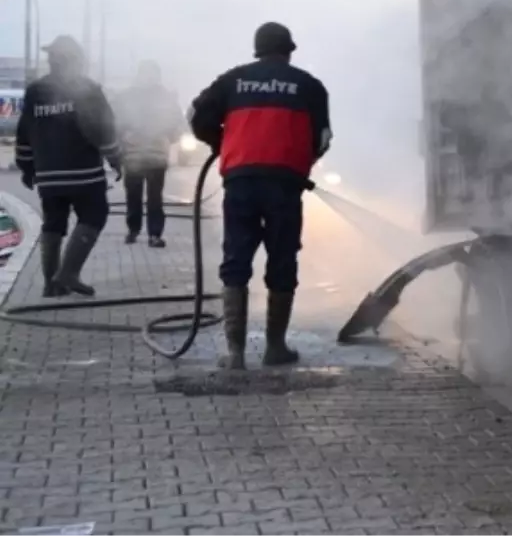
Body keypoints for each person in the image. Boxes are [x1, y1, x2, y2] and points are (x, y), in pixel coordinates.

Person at [189, 22, 331, 369]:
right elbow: (323, 138)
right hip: (284, 185)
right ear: (288, 51)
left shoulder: (232, 81)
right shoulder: (309, 86)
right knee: (282, 258)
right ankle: (275, 347)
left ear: (257, 50)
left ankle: (235, 353)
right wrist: (302, 162)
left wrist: (219, 144)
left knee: (236, 257)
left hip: (241, 181)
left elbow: (195, 115)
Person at [14, 35, 122, 297]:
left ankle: (51, 284)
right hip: (84, 174)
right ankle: (69, 273)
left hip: (49, 176)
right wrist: (115, 158)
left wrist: (27, 167)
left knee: (53, 224)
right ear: (78, 61)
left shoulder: (35, 91)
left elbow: (25, 131)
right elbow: (102, 129)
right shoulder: (87, 90)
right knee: (94, 215)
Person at [115, 60, 185, 248]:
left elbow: (177, 124)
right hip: (137, 155)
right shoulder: (129, 98)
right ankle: (139, 230)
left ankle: (147, 232)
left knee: (151, 197)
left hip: (152, 156)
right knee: (138, 195)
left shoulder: (162, 98)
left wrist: (169, 136)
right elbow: (115, 123)